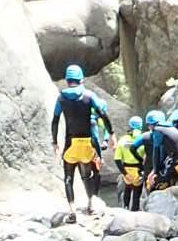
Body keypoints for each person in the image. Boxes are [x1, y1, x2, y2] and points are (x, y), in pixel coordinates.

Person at [52, 64, 112, 214]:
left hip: (70, 143)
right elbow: (103, 114)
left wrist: (55, 142)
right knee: (87, 176)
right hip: (86, 143)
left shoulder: (61, 97)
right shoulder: (89, 96)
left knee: (68, 178)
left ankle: (72, 211)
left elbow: (55, 120)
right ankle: (91, 204)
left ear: (67, 80)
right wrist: (111, 134)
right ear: (81, 80)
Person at [142, 109, 178, 195]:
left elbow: (156, 153)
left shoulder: (157, 131)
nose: (148, 127)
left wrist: (155, 172)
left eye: (148, 124)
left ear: (152, 124)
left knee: (158, 180)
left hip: (176, 157)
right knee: (161, 172)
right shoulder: (168, 126)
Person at [114, 115, 148, 211]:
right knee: (137, 194)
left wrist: (125, 173)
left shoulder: (123, 140)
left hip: (127, 170)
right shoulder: (144, 138)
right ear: (141, 126)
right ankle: (135, 211)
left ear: (130, 126)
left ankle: (125, 208)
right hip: (139, 170)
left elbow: (117, 159)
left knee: (127, 190)